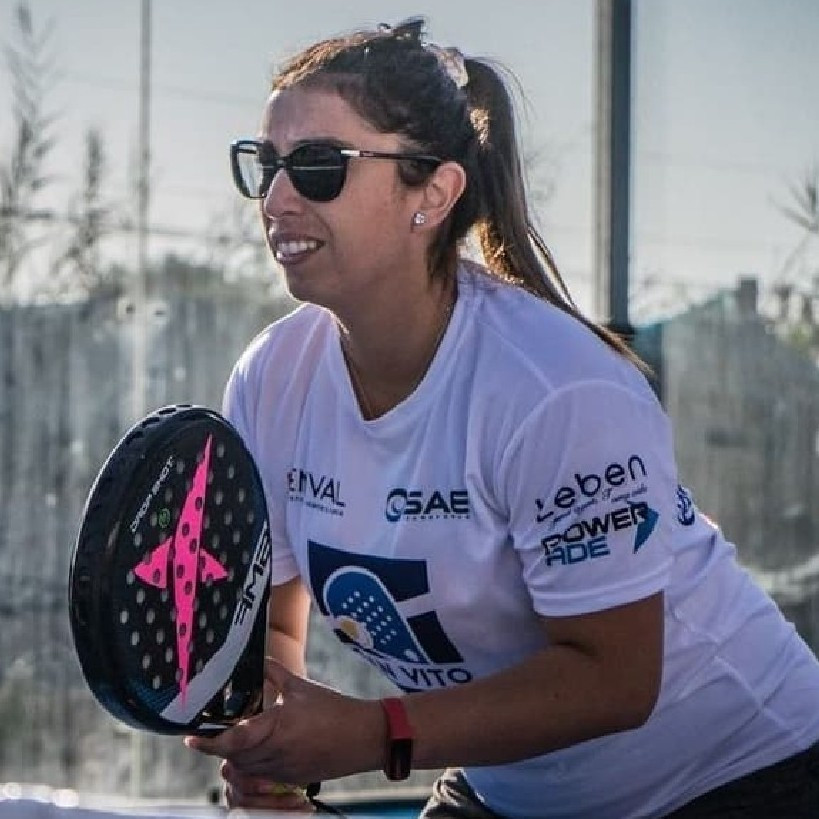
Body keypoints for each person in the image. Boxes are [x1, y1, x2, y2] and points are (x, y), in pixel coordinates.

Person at [185, 17, 819, 818]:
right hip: (507, 785)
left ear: (433, 193)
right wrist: (272, 755)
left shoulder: (556, 388)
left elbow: (614, 678)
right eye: (265, 164)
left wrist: (375, 733)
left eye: (317, 166)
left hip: (742, 774)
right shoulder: (271, 378)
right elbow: (273, 629)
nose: (276, 199)